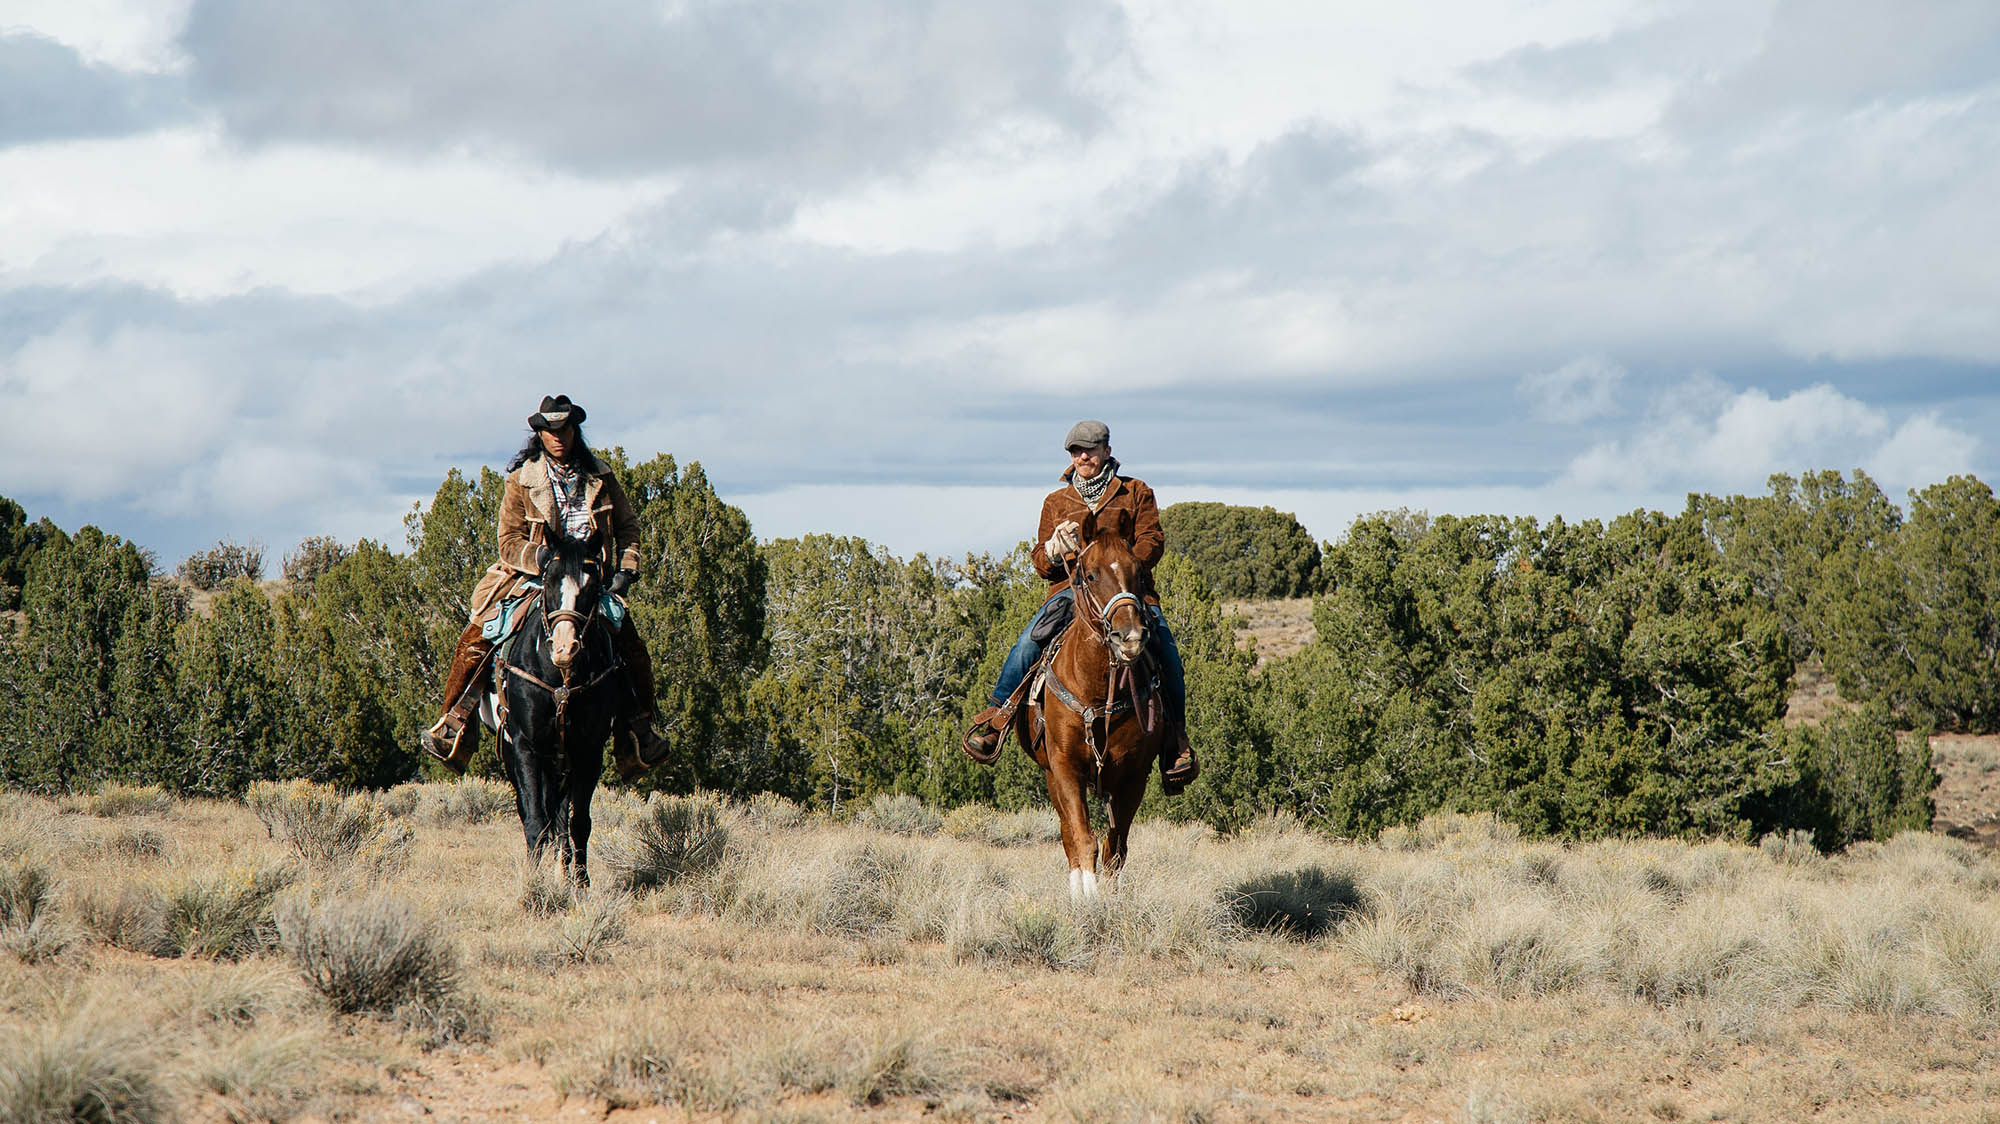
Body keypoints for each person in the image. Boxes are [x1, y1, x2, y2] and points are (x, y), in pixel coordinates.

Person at [419, 394, 670, 780]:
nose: (557, 437)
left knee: (631, 646)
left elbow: (627, 527)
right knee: (478, 637)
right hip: (532, 578)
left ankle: (639, 734)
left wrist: (625, 570)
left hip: (588, 581)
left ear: (574, 430)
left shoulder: (602, 477)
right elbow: (508, 541)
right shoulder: (522, 480)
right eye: (549, 430)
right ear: (539, 434)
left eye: (563, 429)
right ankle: (454, 725)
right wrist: (541, 558)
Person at [961, 419, 1199, 794]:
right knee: (1027, 643)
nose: (1083, 457)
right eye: (1076, 452)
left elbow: (1153, 540)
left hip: (1126, 593)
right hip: (1071, 593)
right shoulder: (1056, 502)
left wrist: (1121, 564)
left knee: (1166, 651)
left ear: (1107, 450)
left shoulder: (1136, 492)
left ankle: (1176, 741)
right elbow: (1041, 564)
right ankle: (997, 719)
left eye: (1089, 450)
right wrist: (1054, 550)